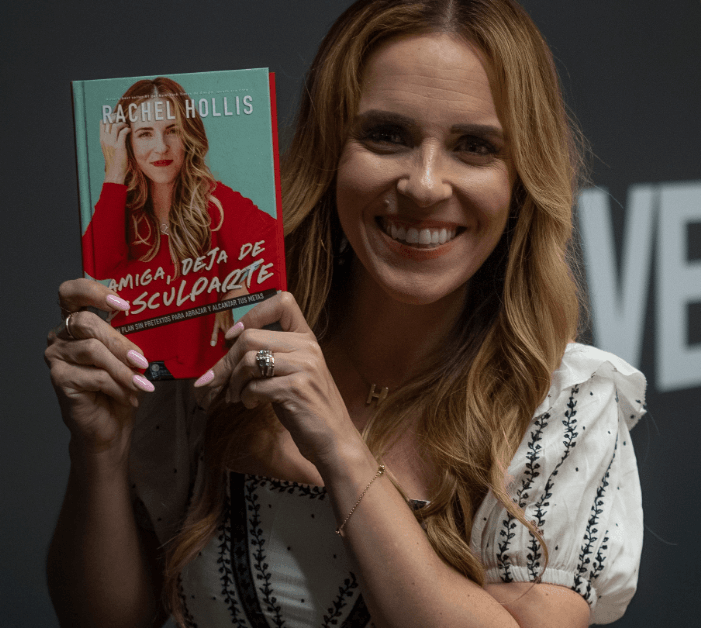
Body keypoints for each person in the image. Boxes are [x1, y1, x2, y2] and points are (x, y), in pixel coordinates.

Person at [44, 1, 645, 626]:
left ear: (522, 178)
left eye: (474, 146)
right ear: (330, 152)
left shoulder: (566, 409)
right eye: (387, 135)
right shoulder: (217, 349)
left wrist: (339, 445)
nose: (424, 184)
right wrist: (100, 452)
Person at [82, 76, 281, 379]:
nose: (161, 147)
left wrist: (236, 292)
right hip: (135, 378)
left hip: (207, 378)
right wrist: (114, 171)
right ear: (127, 142)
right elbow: (99, 266)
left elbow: (278, 249)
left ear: (187, 135)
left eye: (172, 130)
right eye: (145, 134)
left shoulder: (214, 201)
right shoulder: (118, 203)